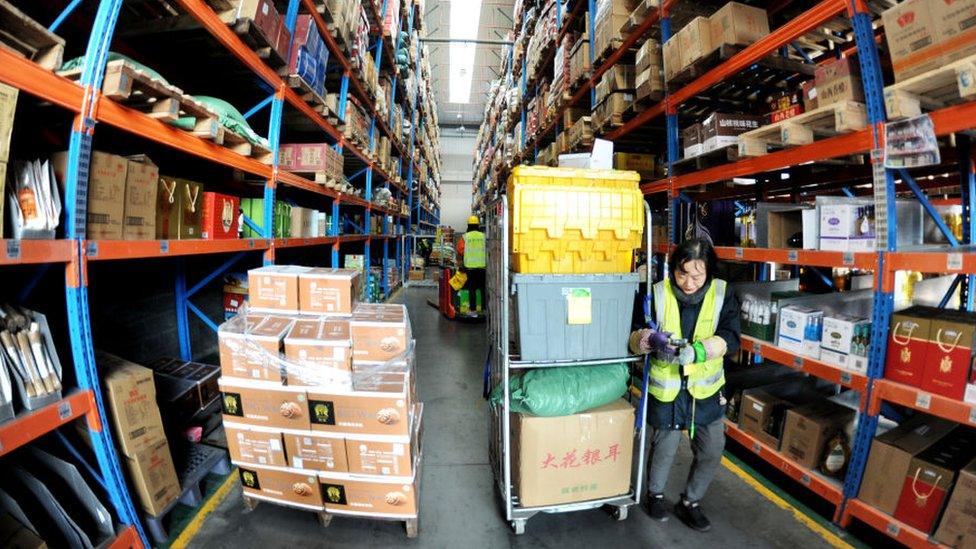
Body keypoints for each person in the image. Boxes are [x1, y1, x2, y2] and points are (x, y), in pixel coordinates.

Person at [629, 238, 740, 532]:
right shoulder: (656, 293)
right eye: (682, 274)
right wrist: (646, 340)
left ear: (709, 273)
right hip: (667, 390)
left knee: (712, 449)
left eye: (696, 276)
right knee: (663, 447)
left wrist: (699, 351)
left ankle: (690, 501)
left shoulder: (722, 294)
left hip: (705, 392)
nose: (688, 283)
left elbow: (732, 336)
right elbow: (632, 334)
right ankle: (655, 494)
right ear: (673, 269)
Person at [456, 215, 486, 311]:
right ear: (478, 225)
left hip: (470, 267)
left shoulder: (465, 237)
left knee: (472, 289)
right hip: (482, 267)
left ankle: (473, 309)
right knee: (482, 288)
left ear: (468, 225)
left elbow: (460, 250)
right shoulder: (483, 236)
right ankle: (484, 309)